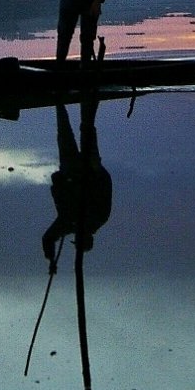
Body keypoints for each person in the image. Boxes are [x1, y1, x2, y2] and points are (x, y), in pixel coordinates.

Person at [42, 96, 111, 270]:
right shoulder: (99, 217)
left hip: (70, 170)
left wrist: (51, 259)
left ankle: (59, 96)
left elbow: (48, 239)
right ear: (88, 237)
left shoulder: (67, 223)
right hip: (90, 168)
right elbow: (106, 184)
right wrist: (95, 170)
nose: (78, 235)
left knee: (64, 130)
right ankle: (86, 95)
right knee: (86, 129)